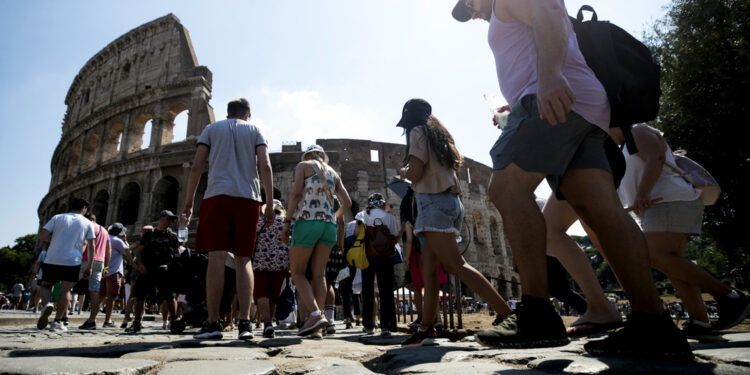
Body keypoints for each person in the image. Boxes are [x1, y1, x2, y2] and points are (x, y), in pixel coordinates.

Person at [451, 0, 692, 359]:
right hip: (581, 103)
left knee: (506, 189)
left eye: (468, 5)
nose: (472, 12)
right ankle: (652, 322)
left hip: (551, 100)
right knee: (599, 209)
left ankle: (536, 313)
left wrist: (548, 76)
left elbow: (546, 12)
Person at [612, 124, 750, 336]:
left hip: (668, 200)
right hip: (661, 205)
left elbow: (656, 157)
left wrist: (642, 192)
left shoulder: (636, 130)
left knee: (655, 255)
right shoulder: (623, 146)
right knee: (673, 264)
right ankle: (700, 321)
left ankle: (730, 298)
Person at [396, 98, 512, 346]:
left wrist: (404, 173)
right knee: (429, 272)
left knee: (456, 265)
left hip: (433, 203)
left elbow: (415, 173)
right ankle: (426, 328)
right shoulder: (440, 135)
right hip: (451, 202)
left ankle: (508, 315)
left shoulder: (418, 131)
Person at [183, 98, 275, 340]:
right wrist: (269, 204)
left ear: (228, 113)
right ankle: (245, 323)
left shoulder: (211, 129)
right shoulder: (255, 130)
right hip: (248, 197)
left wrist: (189, 203)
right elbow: (265, 165)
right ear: (247, 115)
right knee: (244, 259)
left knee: (216, 258)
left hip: (217, 195)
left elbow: (196, 167)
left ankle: (213, 323)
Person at [281, 144, 352, 338]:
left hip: (307, 221)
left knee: (297, 272)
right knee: (319, 275)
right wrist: (332, 215)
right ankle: (317, 327)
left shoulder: (303, 166)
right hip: (329, 226)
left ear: (309, 155)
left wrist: (287, 221)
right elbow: (347, 203)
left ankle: (314, 314)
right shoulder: (333, 173)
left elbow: (295, 194)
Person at [36, 198, 96, 331]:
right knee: (66, 290)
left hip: (52, 257)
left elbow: (42, 235)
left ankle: (46, 305)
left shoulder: (57, 217)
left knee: (46, 285)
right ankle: (57, 321)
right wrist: (89, 266)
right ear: (84, 209)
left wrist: (54, 241)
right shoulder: (87, 223)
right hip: (72, 260)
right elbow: (91, 245)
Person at [124, 210, 179, 333]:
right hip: (147, 269)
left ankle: (174, 321)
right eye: (168, 218)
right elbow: (139, 251)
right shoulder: (149, 234)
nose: (170, 221)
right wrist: (140, 265)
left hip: (165, 270)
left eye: (171, 219)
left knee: (170, 297)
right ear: (160, 218)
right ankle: (137, 322)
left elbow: (177, 253)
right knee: (140, 296)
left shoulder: (173, 236)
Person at [356, 193, 400, 336]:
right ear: (381, 204)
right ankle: (386, 327)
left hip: (368, 255)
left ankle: (369, 326)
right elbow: (395, 238)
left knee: (367, 290)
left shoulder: (362, 215)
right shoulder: (389, 218)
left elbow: (357, 233)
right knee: (386, 290)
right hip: (386, 256)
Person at [252, 199, 290, 339]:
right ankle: (271, 322)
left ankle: (267, 322)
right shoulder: (285, 221)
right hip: (280, 262)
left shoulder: (259, 221)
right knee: (274, 294)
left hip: (260, 261)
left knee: (262, 292)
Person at [78, 213, 110, 329]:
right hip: (100, 262)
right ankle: (92, 320)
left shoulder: (87, 226)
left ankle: (62, 317)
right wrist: (106, 268)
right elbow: (108, 251)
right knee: (95, 291)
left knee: (68, 286)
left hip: (86, 260)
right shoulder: (105, 231)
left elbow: (85, 243)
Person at [99, 223, 131, 328]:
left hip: (104, 271)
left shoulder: (105, 238)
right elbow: (127, 251)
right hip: (113, 272)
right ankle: (107, 320)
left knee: (101, 296)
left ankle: (92, 319)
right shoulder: (117, 241)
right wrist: (125, 239)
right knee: (111, 297)